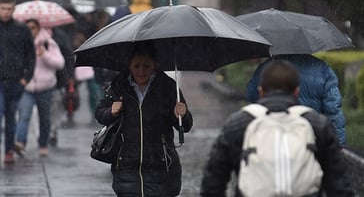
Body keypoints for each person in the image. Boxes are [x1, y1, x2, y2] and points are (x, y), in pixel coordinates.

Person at [200, 60, 354, 197]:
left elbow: (212, 184)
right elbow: (339, 186)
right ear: (296, 91)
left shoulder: (238, 125)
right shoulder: (318, 125)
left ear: (261, 91)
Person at [95, 42, 193, 196]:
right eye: (136, 66)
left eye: (146, 66)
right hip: (127, 165)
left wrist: (182, 114)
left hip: (161, 166)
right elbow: (100, 113)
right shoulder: (118, 86)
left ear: (155, 64)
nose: (141, 71)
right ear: (129, 65)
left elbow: (185, 126)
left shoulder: (168, 87)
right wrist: (111, 112)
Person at [246, 54, 347, 146]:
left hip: (274, 137)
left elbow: (251, 96)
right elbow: (333, 110)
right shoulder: (322, 69)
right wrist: (339, 142)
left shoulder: (267, 68)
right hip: (312, 138)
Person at [14, 18, 65, 157]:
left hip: (46, 87)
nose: (30, 31)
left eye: (33, 27)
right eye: (27, 27)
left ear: (38, 28)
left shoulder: (48, 43)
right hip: (27, 87)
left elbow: (60, 63)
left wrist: (45, 55)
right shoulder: (21, 43)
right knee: (24, 115)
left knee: (44, 118)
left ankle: (43, 144)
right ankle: (20, 142)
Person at [0, 0, 36, 164]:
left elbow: (30, 56)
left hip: (15, 80)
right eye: (3, 9)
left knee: (11, 116)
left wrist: (25, 79)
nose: (5, 12)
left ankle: (9, 150)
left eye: (8, 9)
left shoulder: (22, 30)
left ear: (13, 9)